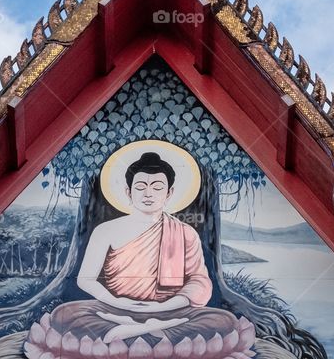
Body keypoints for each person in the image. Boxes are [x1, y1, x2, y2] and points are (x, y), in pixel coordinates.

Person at [22, 151, 255, 359]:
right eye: (141, 186)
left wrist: (162, 309)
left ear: (170, 192)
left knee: (221, 321)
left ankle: (134, 330)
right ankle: (153, 331)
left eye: (157, 187)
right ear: (128, 191)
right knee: (66, 314)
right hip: (113, 309)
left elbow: (199, 281)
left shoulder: (185, 233)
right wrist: (118, 302)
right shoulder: (106, 231)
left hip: (171, 310)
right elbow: (86, 278)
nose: (148, 193)